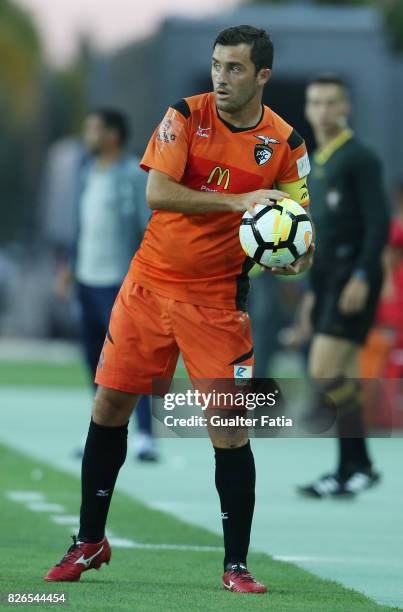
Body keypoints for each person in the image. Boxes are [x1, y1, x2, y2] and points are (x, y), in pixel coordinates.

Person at [45, 25, 314, 593]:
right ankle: (88, 541)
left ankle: (235, 566)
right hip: (147, 286)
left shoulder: (286, 146)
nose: (221, 77)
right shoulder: (184, 116)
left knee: (229, 431)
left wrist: (295, 261)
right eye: (217, 65)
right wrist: (240, 200)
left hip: (218, 304)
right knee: (110, 404)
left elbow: (298, 234)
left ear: (262, 75)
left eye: (235, 68)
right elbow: (159, 193)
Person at [295, 75, 390, 498]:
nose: (323, 110)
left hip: (354, 277)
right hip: (328, 280)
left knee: (323, 369)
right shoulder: (319, 159)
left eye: (331, 102)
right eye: (316, 102)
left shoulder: (360, 157)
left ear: (345, 107)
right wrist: (313, 291)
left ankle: (359, 464)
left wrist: (363, 276)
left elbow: (379, 223)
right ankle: (354, 468)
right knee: (342, 374)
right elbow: (323, 232)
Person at [56, 109, 157, 461]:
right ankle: (99, 431)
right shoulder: (86, 172)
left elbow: (147, 227)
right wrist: (70, 266)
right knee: (94, 361)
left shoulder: (132, 174)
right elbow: (81, 223)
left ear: (113, 135)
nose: (88, 134)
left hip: (119, 282)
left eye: (94, 128)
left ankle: (146, 434)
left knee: (130, 360)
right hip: (87, 279)